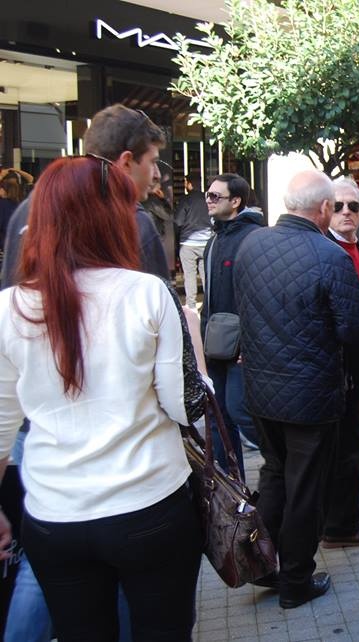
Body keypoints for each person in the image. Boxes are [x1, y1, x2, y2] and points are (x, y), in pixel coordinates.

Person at [0, 155, 206, 639]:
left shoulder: (10, 307)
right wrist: (192, 344)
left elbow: (3, 426)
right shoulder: (146, 293)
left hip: (55, 515)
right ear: (112, 215)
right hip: (149, 505)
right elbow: (186, 406)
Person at [233, 169, 359, 608]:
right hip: (311, 395)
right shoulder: (329, 256)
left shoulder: (251, 244)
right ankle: (295, 579)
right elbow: (354, 329)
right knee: (306, 487)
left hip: (261, 389)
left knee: (275, 474)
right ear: (325, 209)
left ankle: (264, 564)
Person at [2, 105, 169, 288]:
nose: (157, 175)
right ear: (126, 161)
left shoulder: (27, 210)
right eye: (153, 162)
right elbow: (160, 309)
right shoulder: (134, 221)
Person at [321, 177, 359, 549]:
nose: (345, 213)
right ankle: (340, 526)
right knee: (343, 449)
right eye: (338, 206)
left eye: (352, 207)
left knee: (350, 446)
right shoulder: (327, 250)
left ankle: (341, 522)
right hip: (337, 370)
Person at [201, 173, 261, 477]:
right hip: (215, 347)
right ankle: (233, 486)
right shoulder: (213, 240)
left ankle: (284, 464)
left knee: (240, 411)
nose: (209, 201)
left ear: (235, 201)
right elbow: (210, 299)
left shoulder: (252, 238)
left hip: (241, 349)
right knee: (218, 418)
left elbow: (259, 295)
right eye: (208, 195)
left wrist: (251, 343)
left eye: (216, 196)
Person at [174, 176, 212, 310]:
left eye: (185, 182)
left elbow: (178, 221)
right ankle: (208, 304)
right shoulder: (208, 199)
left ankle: (191, 306)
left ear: (189, 184)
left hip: (188, 243)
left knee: (189, 276)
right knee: (206, 275)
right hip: (206, 242)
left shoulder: (185, 200)